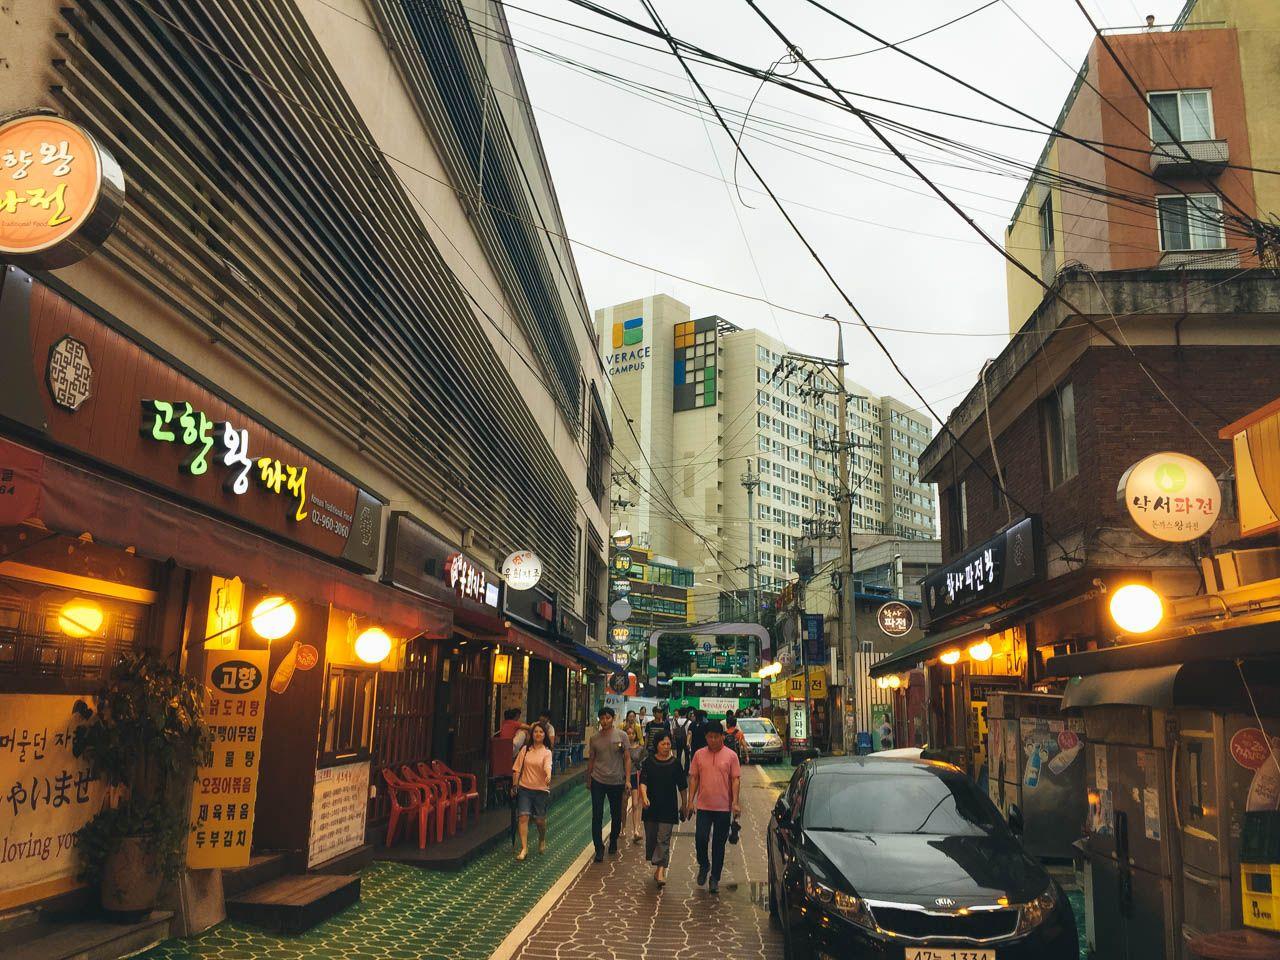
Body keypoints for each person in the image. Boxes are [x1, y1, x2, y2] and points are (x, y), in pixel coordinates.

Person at [685, 720, 741, 895]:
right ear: (706, 737)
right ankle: (704, 864)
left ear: (722, 736)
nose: (713, 740)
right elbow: (693, 778)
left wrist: (735, 803)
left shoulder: (731, 756)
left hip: (723, 808)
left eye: (716, 737)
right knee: (700, 838)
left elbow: (735, 779)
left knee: (719, 844)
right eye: (710, 737)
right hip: (703, 806)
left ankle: (715, 877)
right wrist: (690, 801)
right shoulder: (699, 755)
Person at [639, 731, 687, 887]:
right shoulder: (648, 762)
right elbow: (643, 781)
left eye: (668, 744)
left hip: (668, 807)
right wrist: (644, 796)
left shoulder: (675, 764)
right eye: (663, 744)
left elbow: (682, 786)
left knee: (663, 839)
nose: (666, 747)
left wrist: (684, 804)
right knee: (652, 839)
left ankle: (661, 870)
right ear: (657, 745)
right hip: (651, 808)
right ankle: (658, 865)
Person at [587, 706, 631, 862]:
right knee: (596, 815)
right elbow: (591, 759)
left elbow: (627, 758)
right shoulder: (594, 739)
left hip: (616, 781)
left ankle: (613, 840)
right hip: (598, 780)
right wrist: (589, 779)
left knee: (616, 814)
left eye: (608, 718)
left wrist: (627, 780)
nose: (604, 721)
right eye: (602, 718)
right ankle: (598, 848)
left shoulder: (622, 736)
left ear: (613, 719)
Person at [513, 721, 553, 861]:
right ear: (532, 734)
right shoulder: (525, 750)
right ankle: (524, 848)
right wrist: (515, 785)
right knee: (523, 817)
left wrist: (548, 775)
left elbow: (548, 766)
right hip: (525, 789)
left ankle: (541, 838)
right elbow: (517, 769)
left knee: (539, 821)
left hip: (541, 790)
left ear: (544, 735)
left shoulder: (547, 752)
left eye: (541, 732)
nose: (538, 734)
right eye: (535, 731)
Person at [622, 710, 646, 843]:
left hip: (635, 776)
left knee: (636, 804)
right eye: (627, 733)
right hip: (624, 777)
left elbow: (643, 763)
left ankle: (636, 830)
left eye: (632, 733)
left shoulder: (640, 748)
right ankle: (623, 827)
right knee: (624, 803)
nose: (630, 735)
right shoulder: (621, 748)